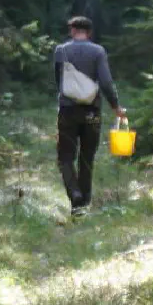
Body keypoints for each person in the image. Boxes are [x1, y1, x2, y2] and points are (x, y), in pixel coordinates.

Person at [52, 15, 127, 216]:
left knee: (65, 157)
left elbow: (58, 80)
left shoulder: (61, 50)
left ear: (72, 31)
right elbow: (106, 82)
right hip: (91, 111)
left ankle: (74, 194)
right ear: (89, 32)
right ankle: (83, 205)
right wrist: (115, 106)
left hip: (67, 110)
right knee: (87, 158)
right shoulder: (98, 52)